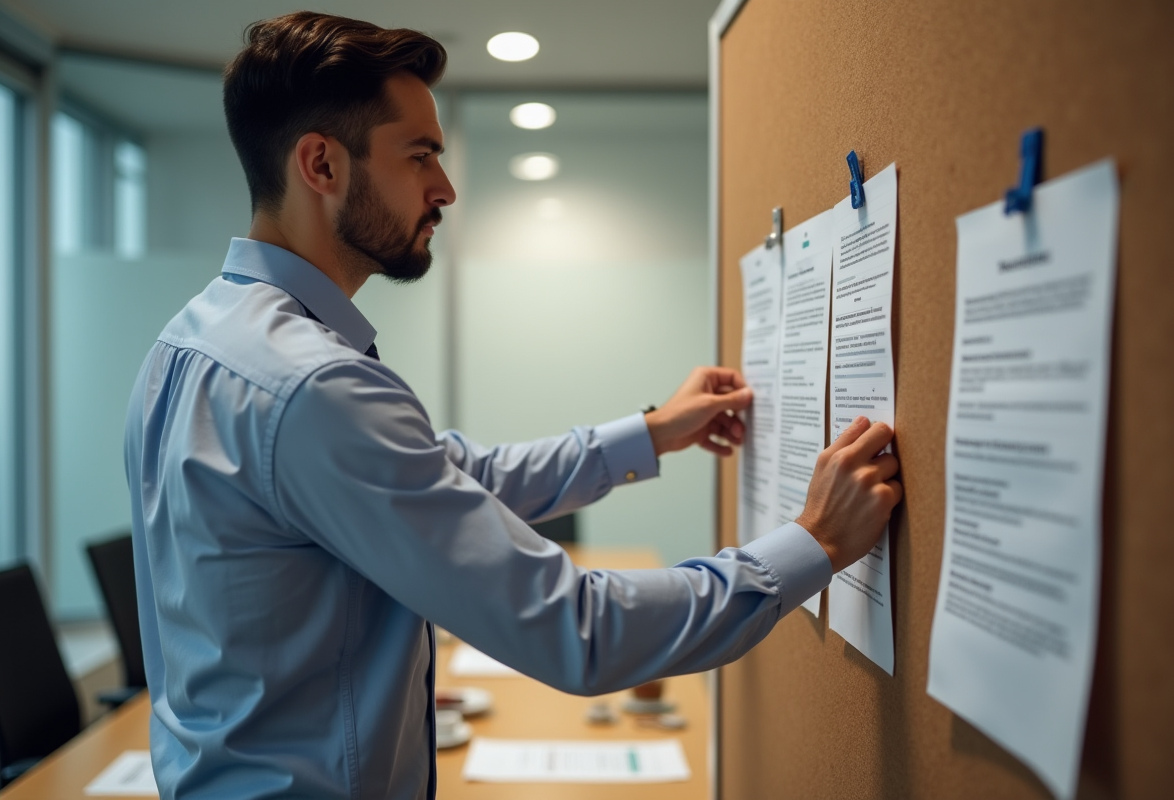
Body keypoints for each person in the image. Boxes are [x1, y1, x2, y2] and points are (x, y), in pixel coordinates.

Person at [123, 11, 902, 800]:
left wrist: (653, 433)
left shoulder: (186, 347)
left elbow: (452, 479)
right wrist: (813, 543)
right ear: (321, 164)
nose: (445, 188)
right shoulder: (311, 385)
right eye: (419, 155)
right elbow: (579, 630)